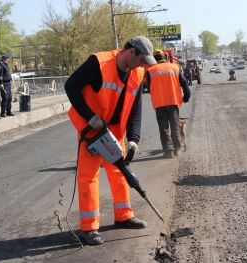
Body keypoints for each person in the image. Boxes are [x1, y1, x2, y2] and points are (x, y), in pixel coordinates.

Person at [65, 36, 157, 245]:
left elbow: (135, 108)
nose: (143, 66)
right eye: (142, 60)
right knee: (89, 176)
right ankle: (89, 228)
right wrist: (89, 117)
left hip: (115, 130)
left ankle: (124, 215)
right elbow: (71, 86)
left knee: (119, 171)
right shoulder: (98, 63)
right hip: (92, 129)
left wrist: (133, 139)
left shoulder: (137, 72)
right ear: (131, 52)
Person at [146, 50, 191, 158]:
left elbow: (149, 88)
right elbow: (184, 83)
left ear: (154, 59)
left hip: (159, 103)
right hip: (173, 101)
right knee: (175, 126)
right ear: (165, 57)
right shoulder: (174, 67)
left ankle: (168, 151)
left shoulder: (150, 71)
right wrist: (186, 96)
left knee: (163, 128)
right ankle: (177, 149)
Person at [0, 53, 14, 117]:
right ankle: (3, 112)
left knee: (9, 98)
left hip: (8, 83)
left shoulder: (5, 64)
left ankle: (9, 111)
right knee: (5, 98)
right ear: (5, 58)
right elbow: (0, 75)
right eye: (8, 58)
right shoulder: (0, 64)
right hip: (4, 84)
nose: (8, 59)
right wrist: (1, 84)